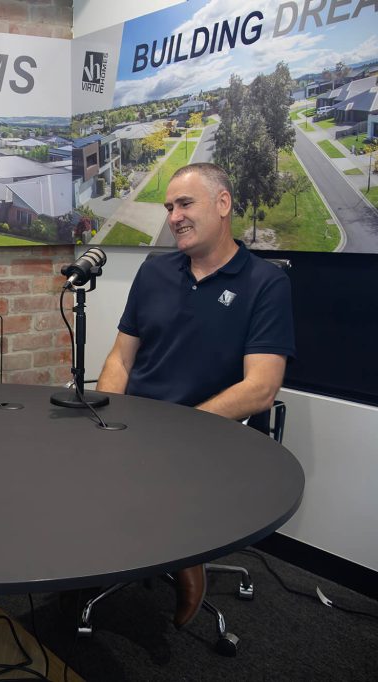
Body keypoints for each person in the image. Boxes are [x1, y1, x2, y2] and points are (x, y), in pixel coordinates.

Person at [96, 162, 295, 628]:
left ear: (222, 204)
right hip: (137, 421)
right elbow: (120, 359)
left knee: (156, 474)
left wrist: (181, 429)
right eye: (169, 207)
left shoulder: (266, 284)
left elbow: (261, 387)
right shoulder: (154, 272)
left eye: (185, 204)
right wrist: (105, 418)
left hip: (206, 433)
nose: (173, 216)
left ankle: (187, 559)